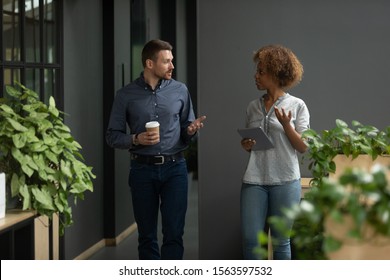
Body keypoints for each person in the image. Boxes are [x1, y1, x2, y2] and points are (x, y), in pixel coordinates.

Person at [106, 39, 206, 260]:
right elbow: (112, 136)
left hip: (175, 169)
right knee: (146, 237)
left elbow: (185, 129)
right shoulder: (125, 95)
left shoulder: (180, 90)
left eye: (172, 61)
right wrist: (137, 138)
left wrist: (190, 130)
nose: (172, 66)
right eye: (166, 61)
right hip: (142, 170)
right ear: (150, 64)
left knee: (173, 234)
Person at [240, 44, 310, 260]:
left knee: (281, 243)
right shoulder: (253, 106)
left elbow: (304, 147)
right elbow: (250, 143)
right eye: (257, 71)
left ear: (276, 73)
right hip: (254, 180)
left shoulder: (298, 105)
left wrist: (287, 126)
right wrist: (247, 145)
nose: (256, 76)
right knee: (252, 242)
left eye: (261, 72)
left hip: (286, 180)